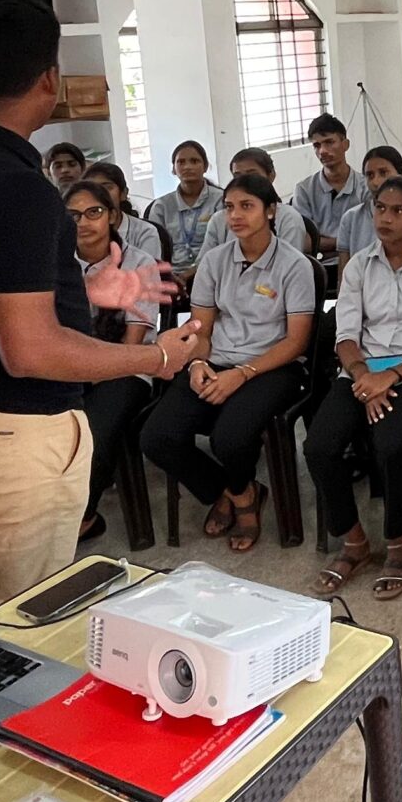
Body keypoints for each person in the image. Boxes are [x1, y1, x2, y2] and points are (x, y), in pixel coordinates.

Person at [0, 0, 174, 604]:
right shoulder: (19, 189)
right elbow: (29, 350)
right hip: (6, 430)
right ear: (50, 80)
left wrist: (79, 290)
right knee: (25, 611)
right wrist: (156, 357)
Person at [139, 171, 316, 554]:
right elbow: (200, 329)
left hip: (273, 366)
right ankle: (237, 491)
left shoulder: (294, 265)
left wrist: (243, 373)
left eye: (247, 206)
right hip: (215, 360)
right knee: (156, 437)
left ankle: (241, 499)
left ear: (271, 211)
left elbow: (296, 341)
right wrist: (196, 364)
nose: (235, 215)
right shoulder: (215, 261)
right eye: (229, 207)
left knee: (230, 438)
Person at [308, 177, 402, 603]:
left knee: (391, 444)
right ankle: (354, 541)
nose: (386, 218)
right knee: (319, 446)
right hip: (361, 371)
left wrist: (388, 378)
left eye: (398, 211)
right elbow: (345, 335)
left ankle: (398, 544)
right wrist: (363, 375)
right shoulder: (358, 266)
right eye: (380, 208)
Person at [64, 179, 160, 536]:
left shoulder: (139, 263)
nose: (83, 222)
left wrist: (91, 371)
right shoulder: (56, 265)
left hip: (129, 367)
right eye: (73, 215)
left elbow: (133, 344)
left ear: (113, 216)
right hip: (72, 367)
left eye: (94, 212)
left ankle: (81, 518)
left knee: (93, 432)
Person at [146, 140, 221, 300]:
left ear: (205, 166)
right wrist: (169, 275)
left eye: (194, 161)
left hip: (212, 272)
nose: (187, 167)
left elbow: (222, 245)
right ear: (173, 169)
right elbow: (154, 248)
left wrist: (189, 274)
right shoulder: (161, 206)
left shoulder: (220, 200)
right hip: (170, 275)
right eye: (181, 162)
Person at [291, 113, 367, 261]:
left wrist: (323, 243)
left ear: (345, 144)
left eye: (329, 142)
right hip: (318, 266)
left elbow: (369, 239)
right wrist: (347, 242)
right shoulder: (304, 190)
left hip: (360, 264)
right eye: (317, 145)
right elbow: (304, 243)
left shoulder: (365, 188)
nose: (323, 151)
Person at [81, 159, 164, 265]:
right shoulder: (79, 232)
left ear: (123, 193)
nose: (100, 194)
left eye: (107, 187)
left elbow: (147, 272)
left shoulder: (145, 232)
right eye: (92, 189)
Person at [333, 145, 402, 261]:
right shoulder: (351, 218)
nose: (376, 182)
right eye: (370, 175)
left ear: (401, 175)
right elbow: (344, 269)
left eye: (383, 173)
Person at [230, 147, 312, 252]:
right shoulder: (220, 220)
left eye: (252, 175)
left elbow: (288, 260)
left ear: (271, 176)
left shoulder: (287, 218)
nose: (244, 183)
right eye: (237, 177)